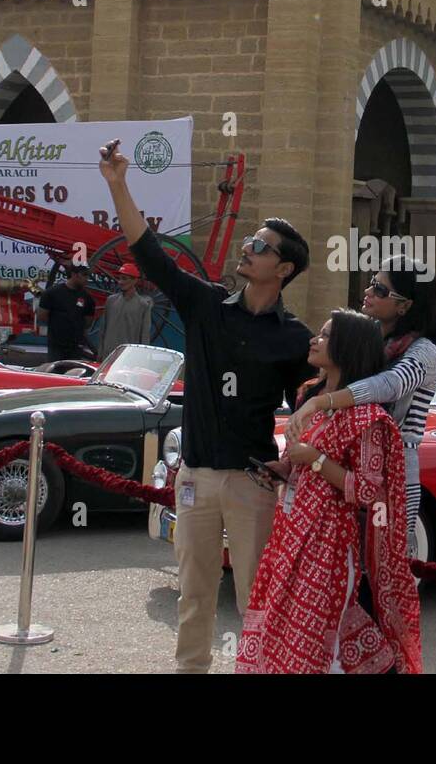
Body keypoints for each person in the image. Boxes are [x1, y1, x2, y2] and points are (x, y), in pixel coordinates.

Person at [98, 139, 316, 675]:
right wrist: (118, 184)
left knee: (253, 603)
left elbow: (310, 407)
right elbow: (149, 251)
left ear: (283, 269)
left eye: (260, 247)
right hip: (194, 476)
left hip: (251, 483)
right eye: (249, 241)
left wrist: (293, 462)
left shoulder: (293, 338)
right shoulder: (204, 305)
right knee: (193, 596)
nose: (247, 249)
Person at [237, 309, 421, 674]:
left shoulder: (368, 419)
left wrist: (317, 460)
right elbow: (303, 466)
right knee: (284, 632)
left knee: (320, 644)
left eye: (324, 335)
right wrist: (285, 471)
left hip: (329, 544)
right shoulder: (313, 402)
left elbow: (370, 491)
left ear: (347, 347)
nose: (314, 340)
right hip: (291, 534)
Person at [284, 256, 436, 553]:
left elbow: (389, 386)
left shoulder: (423, 351)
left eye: (380, 290)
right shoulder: (370, 343)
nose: (368, 292)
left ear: (405, 305)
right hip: (345, 468)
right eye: (372, 283)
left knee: (385, 563)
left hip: (393, 470)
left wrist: (319, 403)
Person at [38, 265, 96, 361]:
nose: (87, 278)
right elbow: (42, 316)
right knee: (55, 374)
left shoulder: (87, 298)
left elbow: (88, 322)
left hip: (76, 346)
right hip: (56, 345)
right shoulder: (51, 293)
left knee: (73, 374)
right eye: (84, 275)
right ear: (74, 274)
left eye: (88, 275)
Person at [98, 262, 154, 359]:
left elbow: (144, 336)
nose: (120, 282)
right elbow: (103, 329)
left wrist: (142, 359)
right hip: (107, 356)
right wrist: (100, 353)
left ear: (135, 280)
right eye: (119, 278)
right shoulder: (111, 300)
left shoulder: (143, 305)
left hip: (127, 358)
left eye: (124, 278)